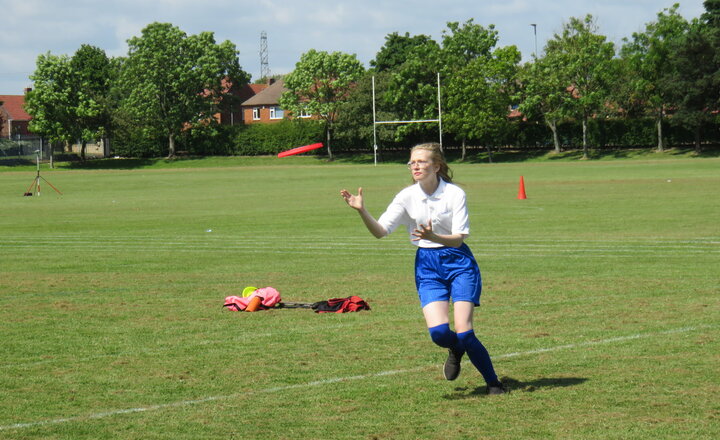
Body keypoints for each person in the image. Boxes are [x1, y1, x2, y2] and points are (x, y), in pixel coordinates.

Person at [340, 143, 507, 394]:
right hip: (427, 265)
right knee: (440, 334)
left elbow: (459, 238)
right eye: (412, 162)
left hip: (459, 262)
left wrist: (434, 236)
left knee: (465, 332)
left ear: (436, 166)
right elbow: (380, 232)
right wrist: (362, 211)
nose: (415, 166)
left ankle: (494, 384)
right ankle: (455, 348)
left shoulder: (454, 194)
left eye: (421, 161)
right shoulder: (406, 196)